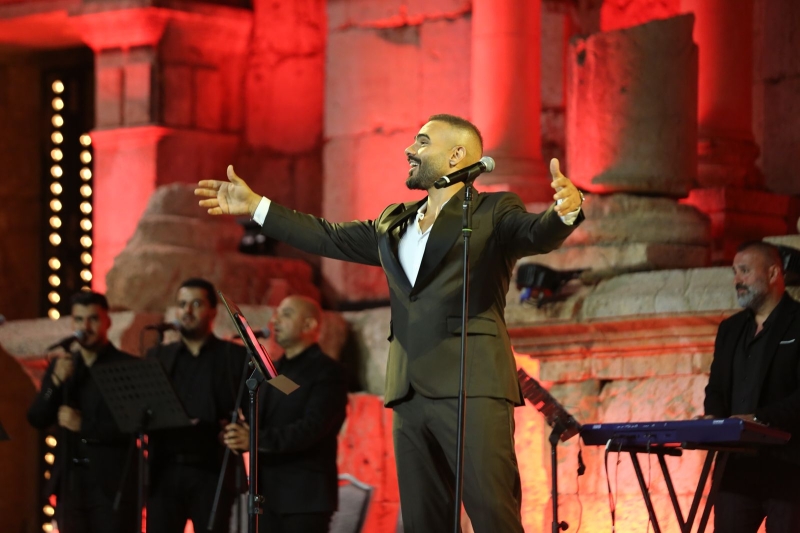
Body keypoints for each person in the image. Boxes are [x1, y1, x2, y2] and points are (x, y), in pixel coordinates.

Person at [196, 114, 584, 532]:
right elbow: (326, 235)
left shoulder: (493, 210)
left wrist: (565, 212)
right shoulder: (393, 223)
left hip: (472, 384)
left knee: (494, 515)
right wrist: (258, 207)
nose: (409, 150)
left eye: (423, 142)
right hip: (408, 391)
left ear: (457, 155)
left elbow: (534, 233)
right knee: (422, 522)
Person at [223, 295, 348, 533]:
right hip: (266, 496)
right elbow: (270, 415)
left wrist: (255, 439)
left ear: (309, 325)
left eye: (286, 314)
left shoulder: (328, 372)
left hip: (304, 499)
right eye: (276, 314)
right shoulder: (275, 371)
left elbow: (312, 427)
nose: (275, 320)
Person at [703, 241, 800, 532]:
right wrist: (713, 420)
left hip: (790, 465)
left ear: (773, 273)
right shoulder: (730, 329)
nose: (737, 280)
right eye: (735, 272)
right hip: (736, 467)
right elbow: (716, 388)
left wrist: (758, 419)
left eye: (745, 271)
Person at [27, 291, 138, 533]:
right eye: (79, 320)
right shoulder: (63, 366)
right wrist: (55, 382)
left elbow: (133, 427)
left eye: (93, 319)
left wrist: (83, 425)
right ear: (72, 324)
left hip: (112, 484)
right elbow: (37, 418)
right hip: (71, 482)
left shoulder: (128, 366)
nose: (85, 327)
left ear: (107, 322)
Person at [146, 278, 248, 533]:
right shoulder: (158, 356)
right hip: (164, 471)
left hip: (213, 472)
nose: (187, 311)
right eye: (182, 305)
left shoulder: (233, 357)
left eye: (196, 304)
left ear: (213, 311)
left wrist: (244, 432)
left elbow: (255, 410)